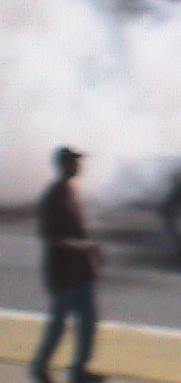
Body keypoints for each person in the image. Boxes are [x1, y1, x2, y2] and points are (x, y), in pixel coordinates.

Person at [30, 147, 106, 383]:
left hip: (82, 271)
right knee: (59, 324)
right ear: (63, 165)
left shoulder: (71, 191)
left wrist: (94, 249)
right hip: (63, 273)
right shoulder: (52, 197)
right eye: (75, 162)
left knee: (88, 322)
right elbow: (49, 237)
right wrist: (80, 247)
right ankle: (40, 365)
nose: (79, 166)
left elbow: (80, 229)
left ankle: (79, 370)